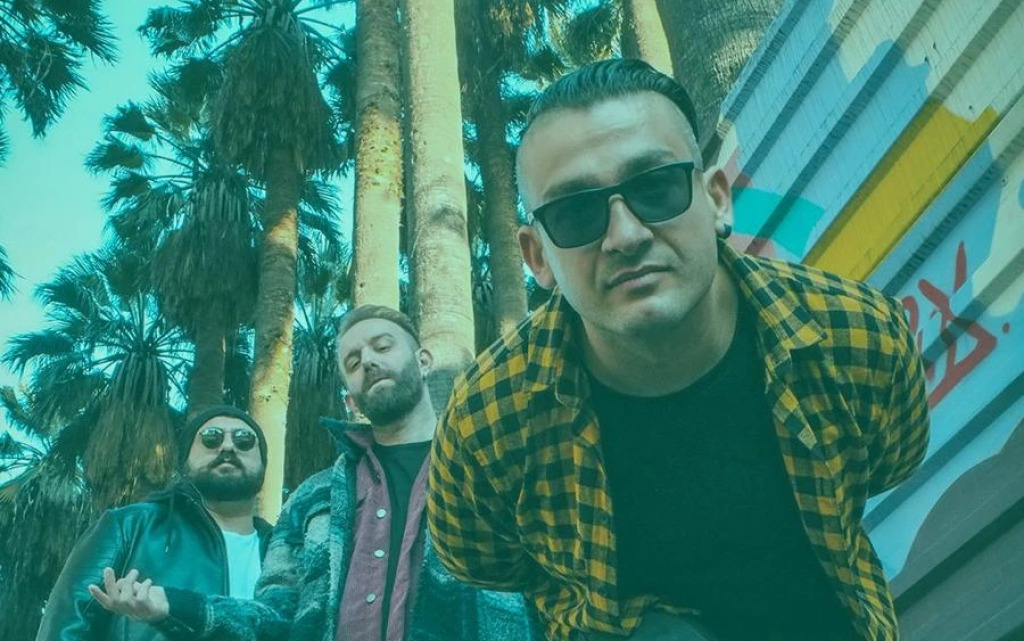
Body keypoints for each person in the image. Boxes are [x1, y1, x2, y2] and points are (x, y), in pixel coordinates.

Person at [427, 59, 930, 641]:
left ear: (716, 199)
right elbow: (480, 560)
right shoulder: (488, 422)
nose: (626, 236)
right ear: (537, 256)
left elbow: (894, 459)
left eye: (655, 187)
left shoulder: (855, 338)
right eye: (576, 212)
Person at [87, 305, 539, 641]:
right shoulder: (312, 498)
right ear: (350, 399)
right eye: (353, 362)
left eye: (383, 346)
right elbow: (275, 616)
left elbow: (552, 588)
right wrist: (174, 604)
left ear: (423, 361)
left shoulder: (491, 462)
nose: (368, 361)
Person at [37, 405, 273, 641]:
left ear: (263, 464)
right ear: (184, 461)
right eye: (211, 438)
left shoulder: (283, 552)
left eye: (244, 440)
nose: (228, 446)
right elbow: (66, 626)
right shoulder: (131, 526)